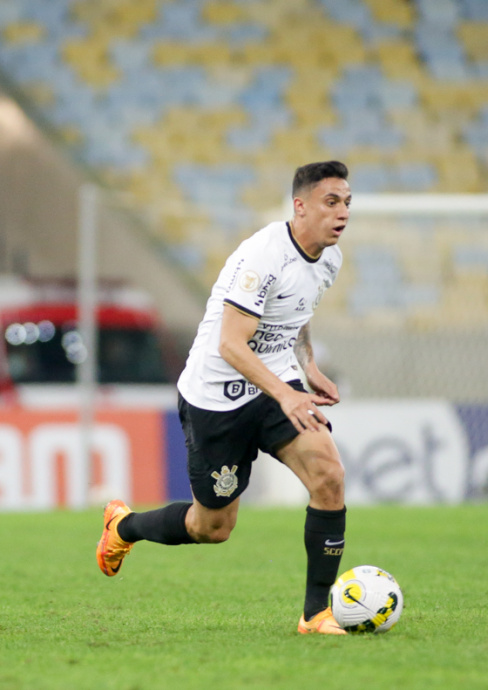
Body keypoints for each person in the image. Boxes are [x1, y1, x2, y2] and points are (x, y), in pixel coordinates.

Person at [97, 161, 353, 635]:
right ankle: (123, 527)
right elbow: (230, 344)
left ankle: (315, 613)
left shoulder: (329, 259)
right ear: (300, 206)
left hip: (275, 385)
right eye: (331, 202)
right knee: (211, 527)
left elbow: (297, 311)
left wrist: (308, 366)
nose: (342, 214)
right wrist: (288, 395)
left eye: (346, 203)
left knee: (329, 477)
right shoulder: (263, 256)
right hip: (217, 398)